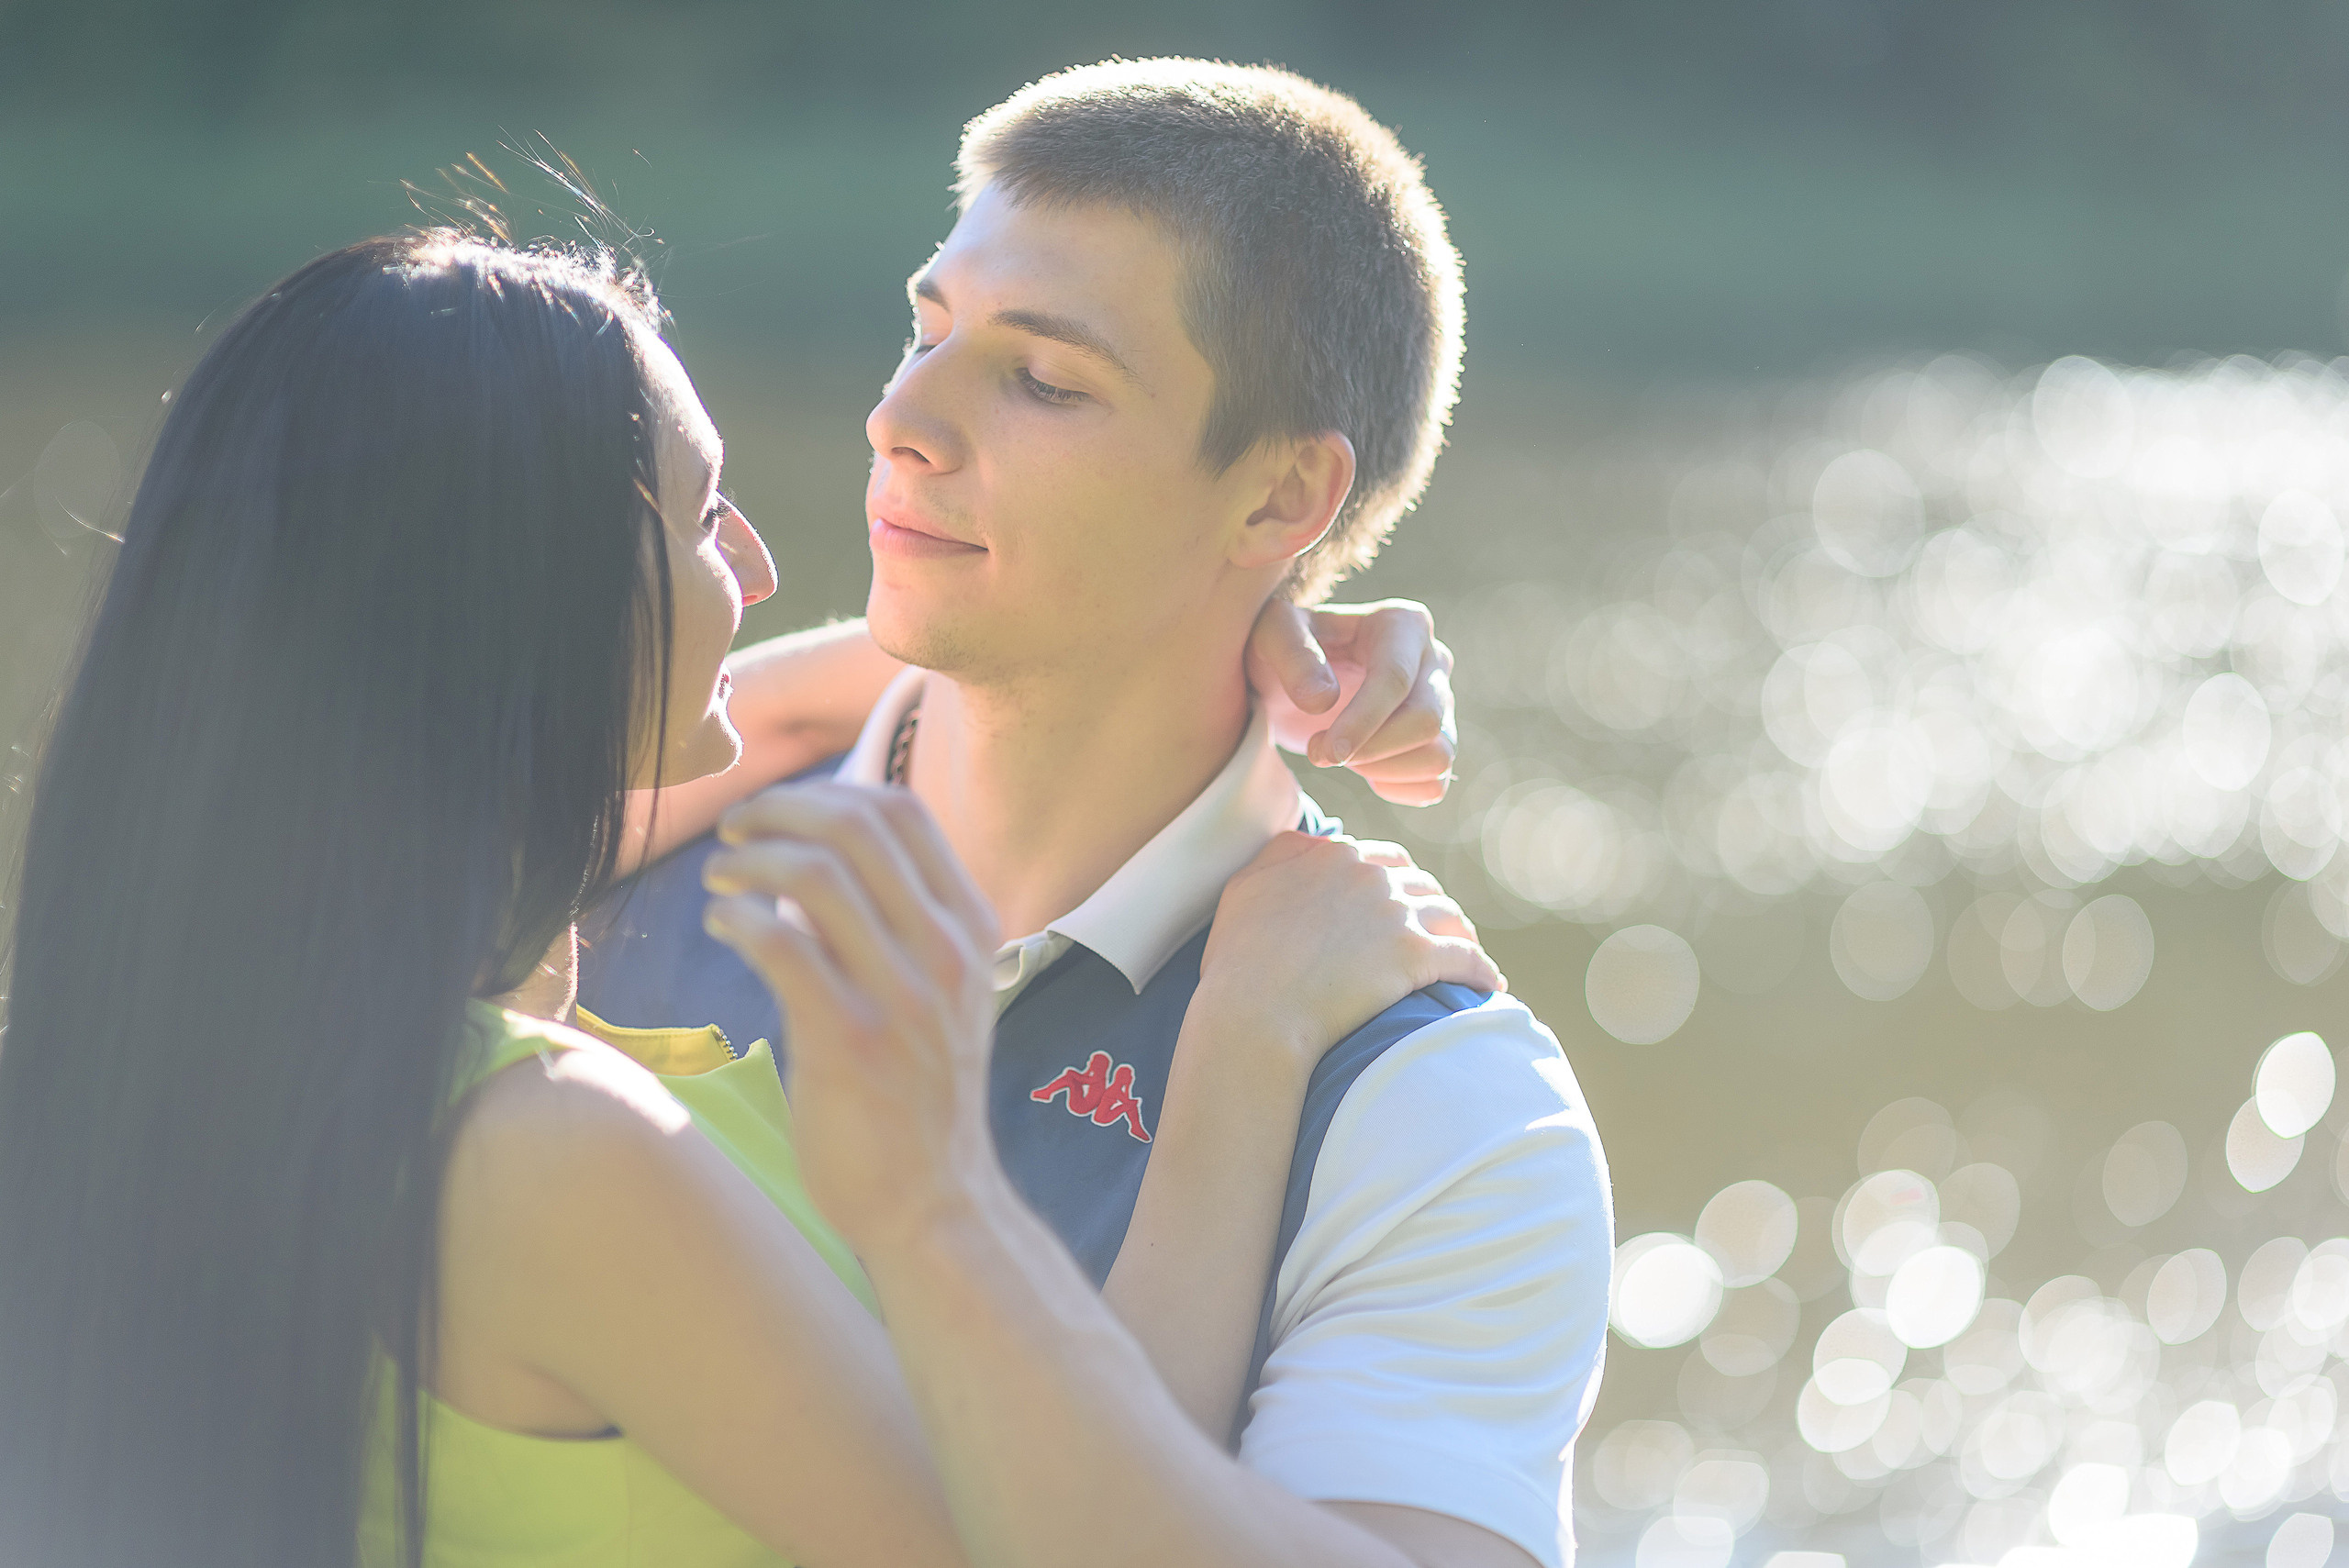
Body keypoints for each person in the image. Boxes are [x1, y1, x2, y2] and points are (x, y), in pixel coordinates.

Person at [0, 229, 1496, 1567]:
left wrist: (1210, 603)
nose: (767, 568)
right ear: (541, 596)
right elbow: (1074, 1526)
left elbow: (769, 702)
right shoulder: (555, 1162)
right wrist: (1250, 1028)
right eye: (709, 519)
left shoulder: (255, 1024)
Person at [591, 58, 1614, 1568]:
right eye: (926, 328)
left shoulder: (1433, 1109)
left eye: (1045, 379)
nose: (900, 418)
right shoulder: (626, 826)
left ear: (1278, 502)